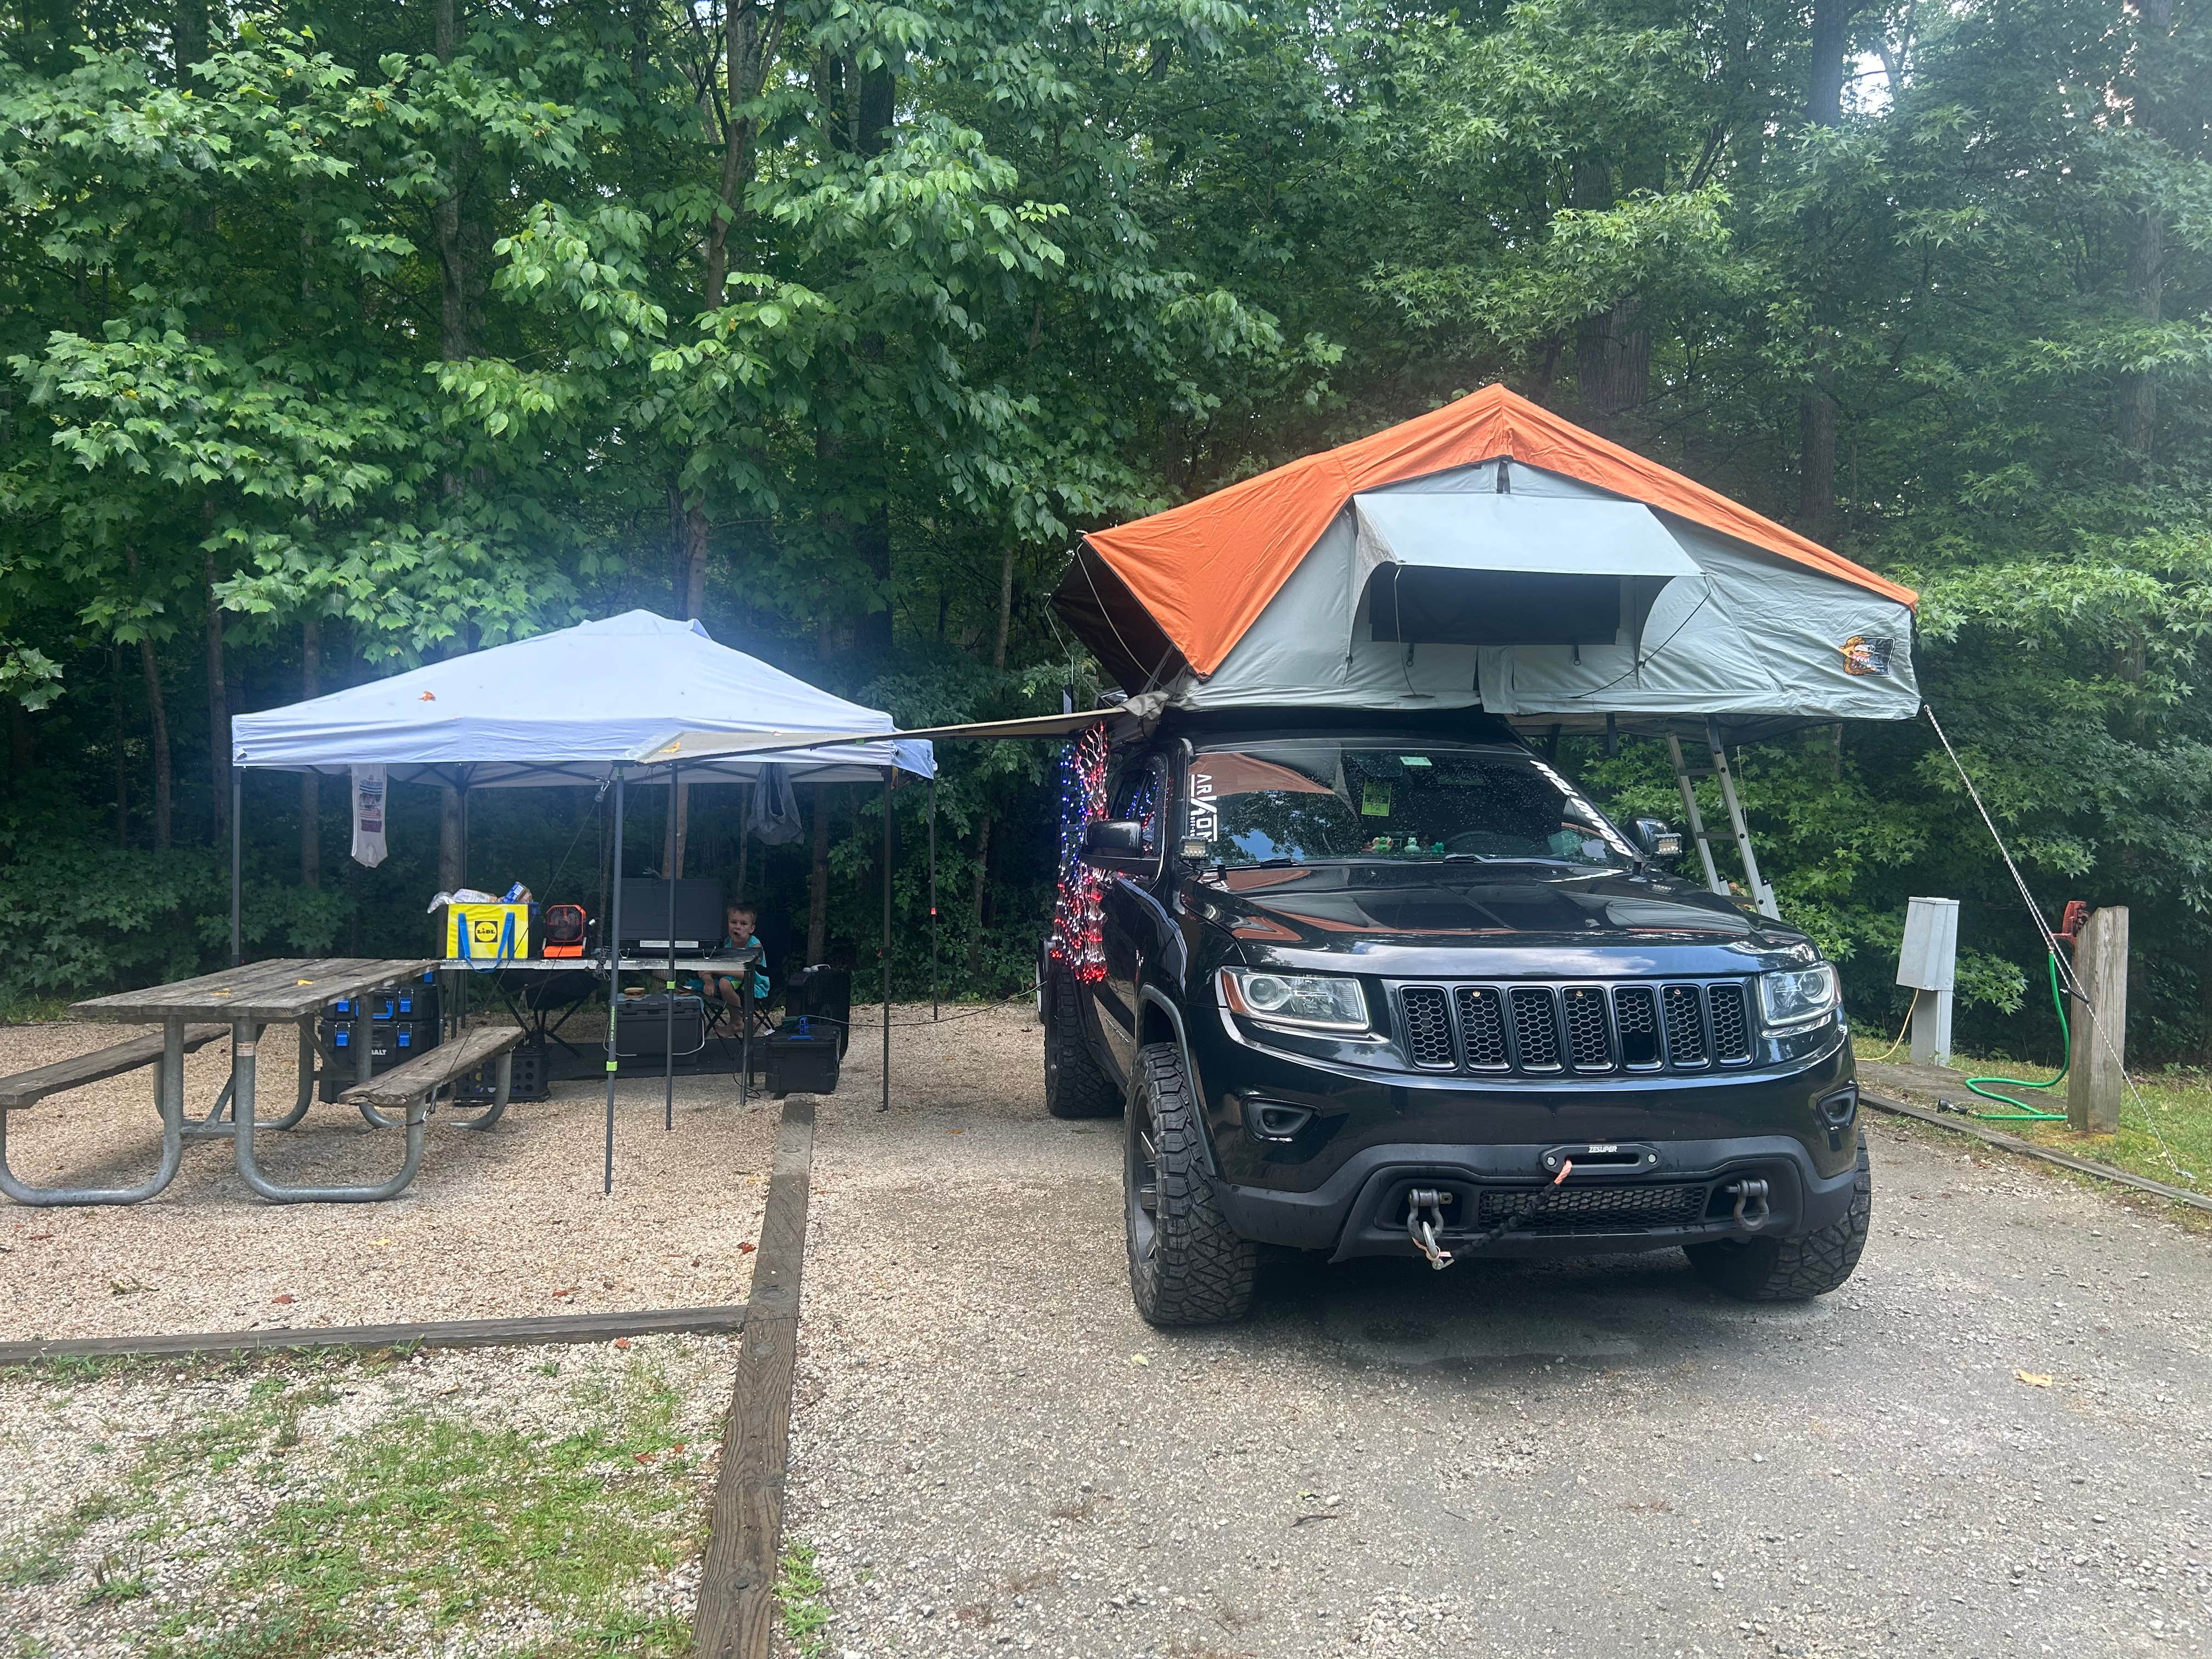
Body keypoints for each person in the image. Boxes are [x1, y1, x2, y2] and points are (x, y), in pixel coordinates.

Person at [695, 898, 774, 1031]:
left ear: (752, 928)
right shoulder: (726, 943)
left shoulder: (755, 946)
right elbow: (704, 968)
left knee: (725, 983)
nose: (738, 927)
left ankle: (737, 1023)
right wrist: (708, 981)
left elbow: (747, 973)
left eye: (743, 924)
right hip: (732, 979)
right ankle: (695, 1029)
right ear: (728, 924)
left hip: (754, 981)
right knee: (689, 987)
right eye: (734, 922)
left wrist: (718, 970)